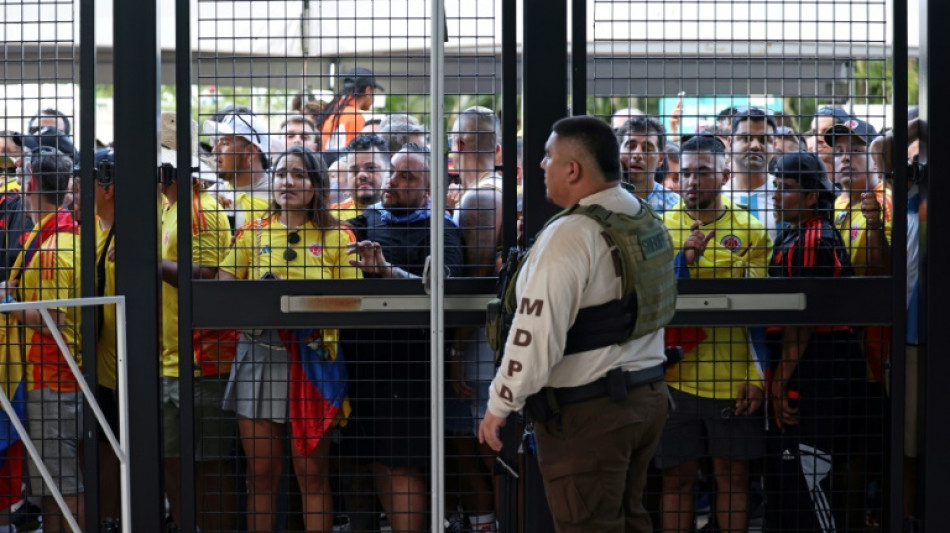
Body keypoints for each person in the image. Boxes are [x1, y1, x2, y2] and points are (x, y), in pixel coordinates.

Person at [478, 116, 675, 532]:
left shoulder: (571, 234)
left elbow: (535, 335)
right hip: (646, 398)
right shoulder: (640, 215)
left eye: (548, 156)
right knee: (630, 520)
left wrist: (499, 405)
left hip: (592, 414)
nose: (541, 165)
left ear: (572, 169)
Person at [218, 145, 360, 532]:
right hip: (258, 356)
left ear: (317, 184)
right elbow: (224, 289)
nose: (288, 182)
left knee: (312, 474)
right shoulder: (252, 231)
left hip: (314, 361)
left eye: (299, 174)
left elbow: (355, 302)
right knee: (261, 474)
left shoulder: (339, 235)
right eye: (282, 174)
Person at [346, 144, 465, 533]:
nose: (393, 181)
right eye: (394, 171)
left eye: (407, 176)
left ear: (428, 187)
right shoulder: (366, 219)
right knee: (376, 458)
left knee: (402, 463)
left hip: (411, 366)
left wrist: (388, 272)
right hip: (363, 364)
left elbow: (446, 291)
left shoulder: (442, 228)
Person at [658, 134, 769, 533]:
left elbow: (762, 312)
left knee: (734, 479)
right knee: (676, 479)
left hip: (734, 381)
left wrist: (757, 378)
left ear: (724, 175)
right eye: (685, 173)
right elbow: (646, 296)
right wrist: (684, 260)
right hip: (673, 379)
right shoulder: (659, 227)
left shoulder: (751, 229)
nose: (692, 181)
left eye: (702, 172)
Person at [765, 151, 867, 532]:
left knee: (810, 473)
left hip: (818, 370)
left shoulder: (812, 238)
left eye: (786, 188)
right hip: (811, 364)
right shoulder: (797, 232)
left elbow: (804, 320)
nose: (777, 195)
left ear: (811, 197)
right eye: (776, 186)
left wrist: (780, 383)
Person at [0, 148, 82, 532]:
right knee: (49, 483)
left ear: (31, 182)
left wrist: (7, 303)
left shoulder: (55, 245)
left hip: (53, 376)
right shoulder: (50, 232)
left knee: (61, 484)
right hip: (43, 374)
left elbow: (53, 319)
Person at [158, 142, 238, 532]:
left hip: (204, 359)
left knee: (210, 464)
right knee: (171, 460)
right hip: (168, 359)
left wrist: (150, 263)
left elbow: (208, 277)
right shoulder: (166, 208)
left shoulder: (203, 211)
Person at [203, 111, 273, 230]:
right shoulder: (211, 195)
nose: (214, 150)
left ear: (250, 153)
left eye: (225, 143)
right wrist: (205, 205)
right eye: (217, 142)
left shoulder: (281, 198)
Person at [727, 108, 783, 240]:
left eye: (764, 140)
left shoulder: (786, 195)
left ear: (774, 145)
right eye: (746, 138)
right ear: (730, 143)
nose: (755, 146)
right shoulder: (716, 196)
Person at [617, 115, 680, 213]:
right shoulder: (601, 200)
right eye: (631, 146)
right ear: (618, 152)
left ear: (660, 158)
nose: (637, 155)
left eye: (647, 149)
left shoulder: (675, 207)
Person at [316, 67, 384, 152]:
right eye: (374, 92)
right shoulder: (354, 117)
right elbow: (358, 154)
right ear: (368, 90)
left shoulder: (333, 111)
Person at [334, 134, 390, 222]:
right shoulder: (331, 217)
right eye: (354, 170)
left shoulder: (404, 214)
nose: (362, 175)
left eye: (371, 168)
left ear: (388, 170)